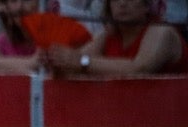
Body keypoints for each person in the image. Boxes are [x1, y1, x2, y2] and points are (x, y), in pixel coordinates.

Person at [44, 0, 184, 75]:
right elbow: (73, 63)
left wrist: (82, 62)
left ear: (147, 5)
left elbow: (138, 69)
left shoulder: (162, 31)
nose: (122, 3)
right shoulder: (108, 35)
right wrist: (58, 60)